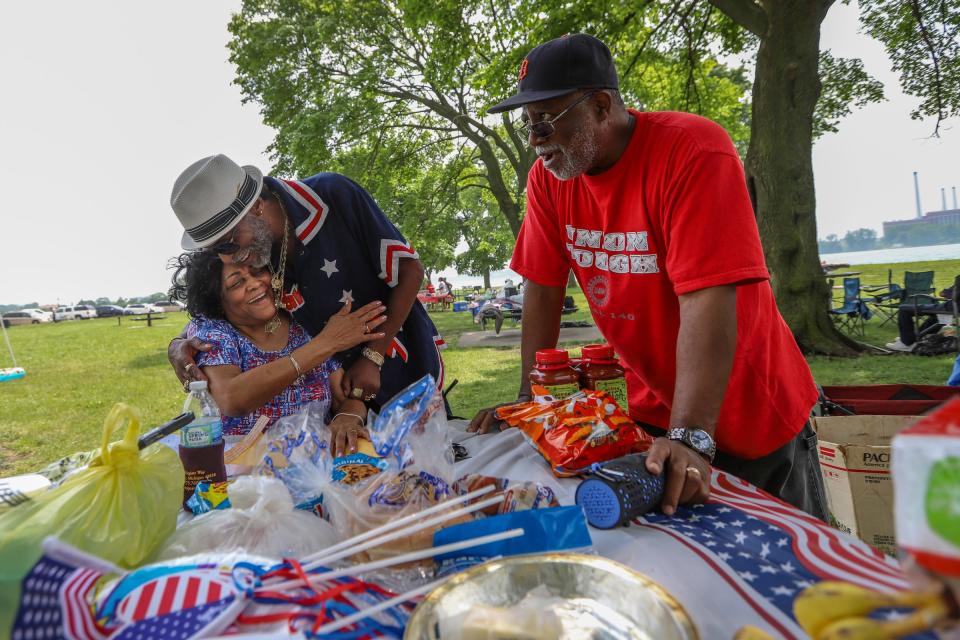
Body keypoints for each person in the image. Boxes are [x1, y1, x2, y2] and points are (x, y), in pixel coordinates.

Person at [470, 34, 826, 520]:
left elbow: (707, 295)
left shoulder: (693, 151)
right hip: (647, 415)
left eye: (547, 119)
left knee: (781, 577)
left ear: (600, 106)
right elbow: (543, 287)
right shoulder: (549, 183)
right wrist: (530, 402)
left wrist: (690, 436)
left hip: (747, 415)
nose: (535, 138)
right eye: (528, 123)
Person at [166, 154, 447, 409]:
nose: (227, 260)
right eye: (215, 249)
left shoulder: (334, 195)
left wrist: (373, 356)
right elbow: (222, 305)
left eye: (227, 243)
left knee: (430, 454)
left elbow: (410, 270)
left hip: (400, 364)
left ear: (256, 207)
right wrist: (179, 342)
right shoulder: (252, 250)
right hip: (338, 394)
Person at [170, 250, 387, 456]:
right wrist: (325, 344)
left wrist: (347, 417)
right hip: (249, 475)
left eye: (257, 271)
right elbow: (231, 398)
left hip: (314, 466)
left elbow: (348, 399)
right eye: (237, 282)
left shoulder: (301, 324)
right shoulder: (216, 333)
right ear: (218, 301)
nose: (255, 284)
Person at [885, 285, 955, 352]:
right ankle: (914, 338)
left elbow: (943, 294)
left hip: (949, 308)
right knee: (936, 317)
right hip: (952, 308)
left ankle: (906, 343)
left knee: (903, 309)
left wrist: (946, 292)